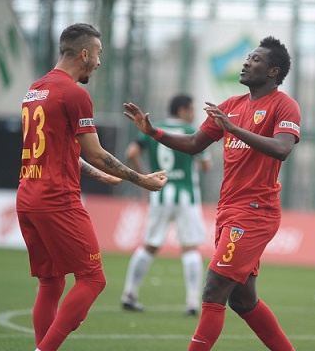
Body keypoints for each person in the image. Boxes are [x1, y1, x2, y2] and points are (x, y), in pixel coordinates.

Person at [124, 36, 300, 351]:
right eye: (247, 56)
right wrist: (154, 133)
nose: (246, 62)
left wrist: (233, 130)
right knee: (243, 301)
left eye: (255, 59)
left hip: (255, 212)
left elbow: (282, 149)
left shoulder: (284, 105)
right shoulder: (231, 106)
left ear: (273, 72)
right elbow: (194, 144)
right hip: (228, 211)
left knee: (213, 290)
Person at [16, 23, 168, 351]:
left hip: (27, 197)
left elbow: (57, 149)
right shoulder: (75, 93)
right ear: (84, 54)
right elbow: (96, 153)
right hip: (57, 200)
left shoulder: (35, 90)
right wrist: (140, 179)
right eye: (98, 54)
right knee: (93, 279)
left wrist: (99, 176)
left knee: (52, 282)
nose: (99, 62)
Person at [121, 93, 212, 315]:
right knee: (190, 247)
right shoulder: (192, 132)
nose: (193, 114)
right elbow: (207, 165)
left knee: (149, 245)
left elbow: (131, 153)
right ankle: (192, 302)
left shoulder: (153, 127)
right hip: (186, 196)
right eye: (191, 109)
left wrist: (144, 178)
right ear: (182, 111)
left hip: (159, 194)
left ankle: (130, 294)